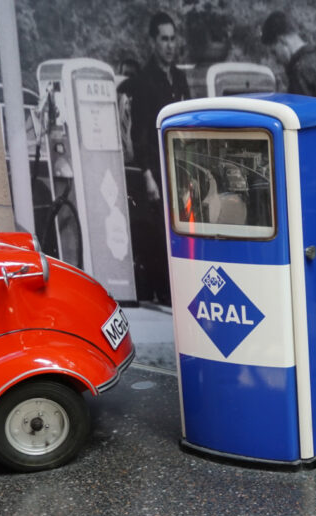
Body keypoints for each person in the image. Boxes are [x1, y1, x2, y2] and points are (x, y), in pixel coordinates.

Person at [126, 11, 191, 305]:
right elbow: (139, 133)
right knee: (159, 233)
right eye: (163, 39)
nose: (169, 45)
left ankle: (182, 287)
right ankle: (163, 293)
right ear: (153, 42)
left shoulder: (179, 78)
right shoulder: (143, 81)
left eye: (172, 38)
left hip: (183, 167)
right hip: (158, 168)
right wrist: (148, 175)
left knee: (184, 228)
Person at [260, 10, 316, 115]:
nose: (276, 60)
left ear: (282, 41)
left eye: (274, 52)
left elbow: (301, 120)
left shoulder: (299, 71)